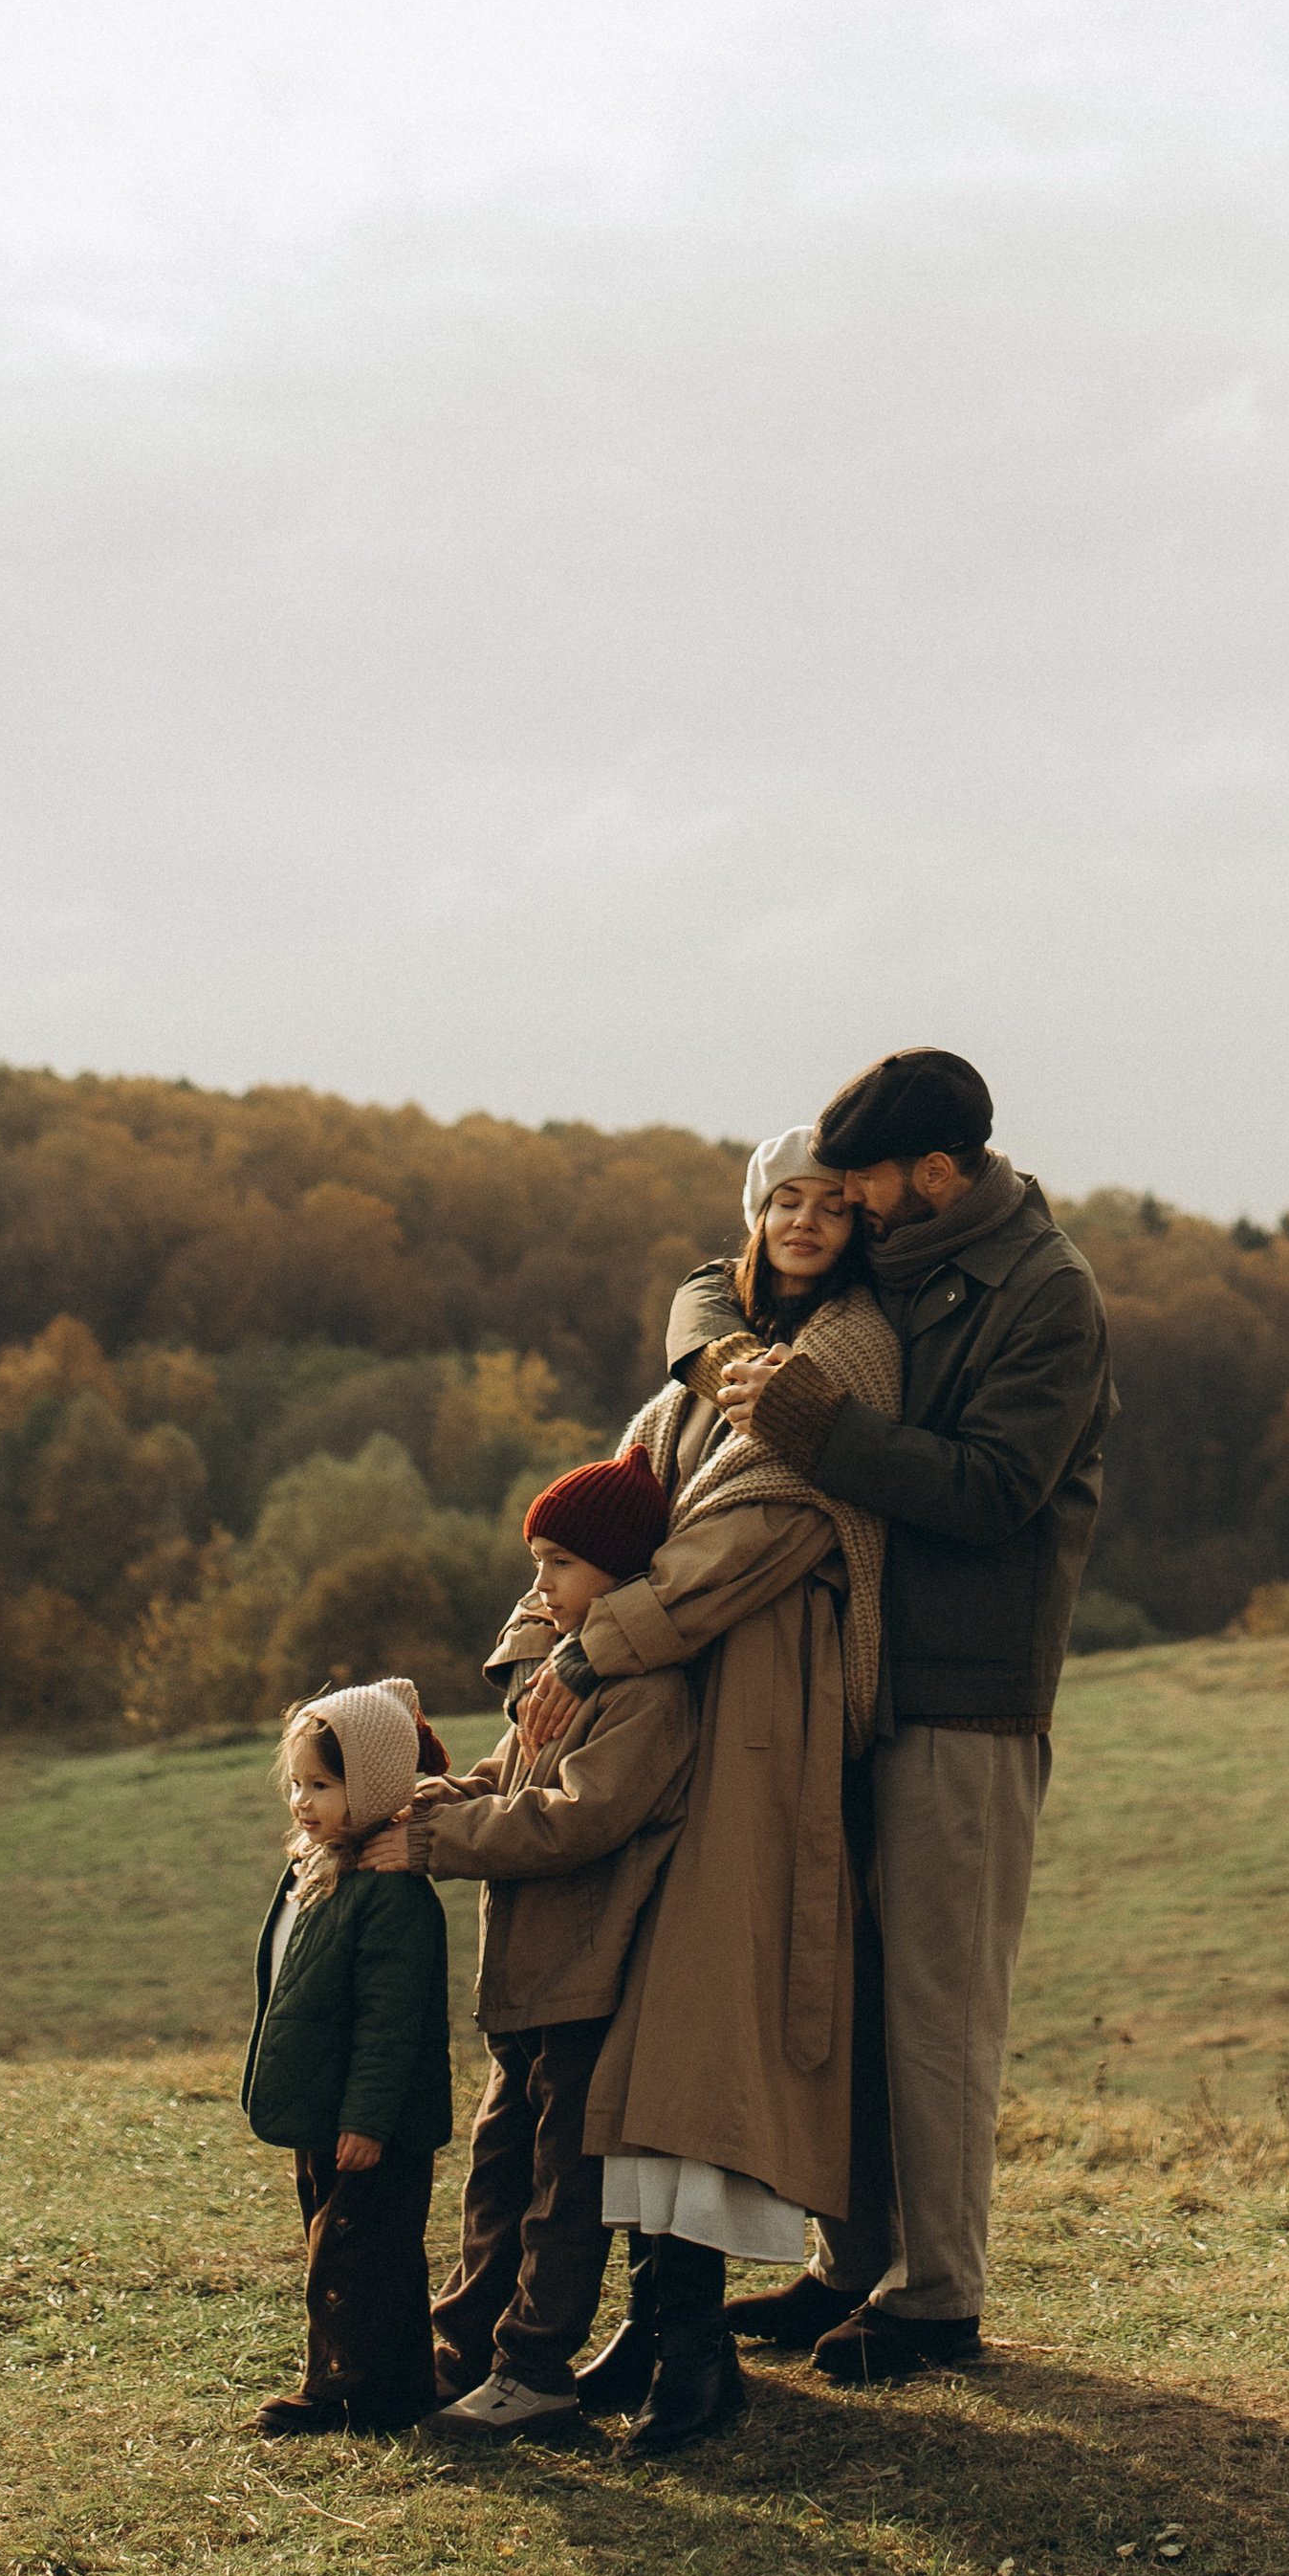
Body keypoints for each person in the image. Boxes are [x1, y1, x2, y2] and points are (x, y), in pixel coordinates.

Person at [690, 1047, 1114, 2386]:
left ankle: (939, 2295)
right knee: (850, 1991)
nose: (847, 1204)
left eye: (865, 1180)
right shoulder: (904, 1247)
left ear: (934, 1171)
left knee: (937, 2005)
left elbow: (995, 1490)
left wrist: (815, 1424)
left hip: (967, 1697)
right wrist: (715, 1357)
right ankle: (851, 2261)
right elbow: (717, 1281)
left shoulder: (1046, 1293)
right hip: (855, 1682)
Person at [516, 1125, 902, 2457]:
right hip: (658, 1713)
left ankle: (695, 2351)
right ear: (753, 1212)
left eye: (831, 1204)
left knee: (700, 2021)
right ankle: (651, 2320)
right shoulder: (702, 1369)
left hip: (756, 1725)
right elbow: (603, 1517)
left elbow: (741, 1544)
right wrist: (528, 1649)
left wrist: (586, 1650)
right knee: (635, 2020)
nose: (805, 1220)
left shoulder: (844, 1358)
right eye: (784, 1198)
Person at [367, 1443, 696, 2448]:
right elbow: (508, 1779)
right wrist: (441, 1794)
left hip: (585, 1980)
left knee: (563, 2191)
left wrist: (436, 1843)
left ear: (620, 1569)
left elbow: (570, 1820)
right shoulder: (560, 1679)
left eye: (559, 1562)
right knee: (496, 2176)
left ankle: (535, 2371)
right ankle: (464, 2349)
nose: (540, 1584)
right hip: (526, 1980)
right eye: (536, 1562)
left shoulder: (647, 1693)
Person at [239, 1675, 452, 2439]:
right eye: (297, 1783)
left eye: (322, 1786)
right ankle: (390, 2386)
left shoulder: (390, 1895)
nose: (302, 1800)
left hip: (372, 2120)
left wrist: (367, 2120)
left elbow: (390, 2024)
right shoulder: (318, 1868)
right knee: (338, 2239)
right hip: (324, 2106)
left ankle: (347, 2388)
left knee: (358, 2253)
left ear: (373, 1787)